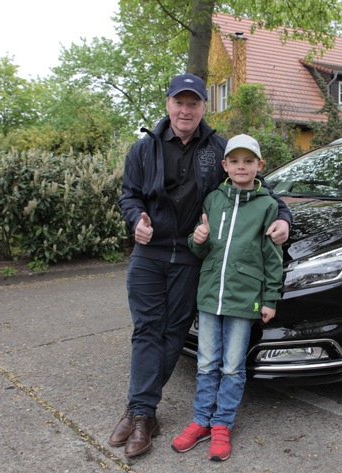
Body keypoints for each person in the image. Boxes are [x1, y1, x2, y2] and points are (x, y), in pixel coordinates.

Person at [110, 74, 291, 458]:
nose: (185, 110)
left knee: (173, 333)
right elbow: (129, 195)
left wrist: (284, 219)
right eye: (179, 102)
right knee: (147, 330)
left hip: (193, 256)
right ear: (168, 104)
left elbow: (262, 190)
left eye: (193, 103)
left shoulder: (220, 149)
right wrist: (136, 218)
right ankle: (142, 411)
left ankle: (143, 411)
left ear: (203, 108)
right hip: (151, 253)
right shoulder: (144, 149)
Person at [171, 134, 283, 462]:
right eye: (234, 161)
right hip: (209, 296)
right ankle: (201, 421)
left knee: (233, 367)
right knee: (206, 364)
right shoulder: (213, 200)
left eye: (248, 161)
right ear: (225, 166)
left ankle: (222, 424)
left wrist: (270, 298)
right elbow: (199, 246)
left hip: (244, 299)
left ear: (259, 166)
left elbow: (271, 257)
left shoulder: (267, 206)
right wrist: (198, 237)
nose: (241, 166)